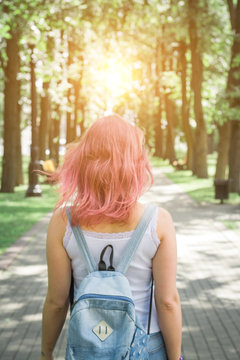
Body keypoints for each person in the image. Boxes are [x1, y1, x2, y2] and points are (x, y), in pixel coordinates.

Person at [39, 114, 182, 360]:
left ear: (84, 162)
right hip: (145, 347)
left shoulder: (63, 223)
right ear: (135, 164)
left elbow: (56, 302)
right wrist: (176, 356)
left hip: (89, 347)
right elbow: (168, 301)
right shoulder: (158, 222)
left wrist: (46, 352)